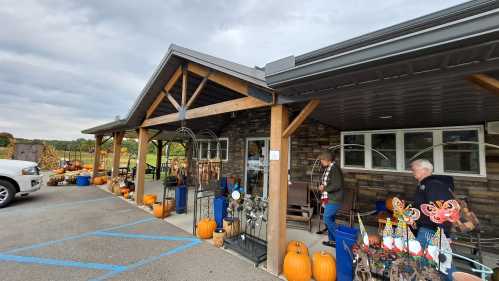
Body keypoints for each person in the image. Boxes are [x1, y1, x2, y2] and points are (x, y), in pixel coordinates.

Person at [410, 159, 455, 281]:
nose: (412, 170)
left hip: (432, 231)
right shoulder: (424, 185)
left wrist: (444, 234)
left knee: (440, 264)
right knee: (426, 263)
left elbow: (442, 210)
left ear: (425, 170)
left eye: (415, 168)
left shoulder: (434, 185)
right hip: (425, 229)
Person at [319, 151, 344, 247]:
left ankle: (340, 239)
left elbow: (337, 185)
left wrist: (324, 188)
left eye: (322, 159)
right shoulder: (330, 168)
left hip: (334, 199)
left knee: (326, 218)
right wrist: (323, 186)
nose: (321, 161)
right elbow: (331, 182)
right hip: (330, 198)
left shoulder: (334, 169)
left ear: (327, 159)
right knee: (331, 219)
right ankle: (332, 241)